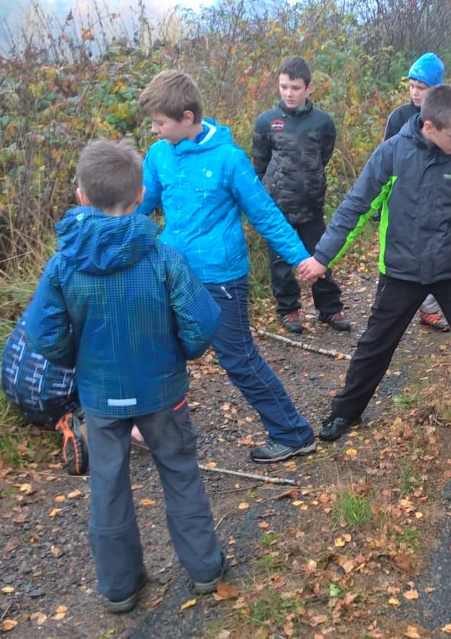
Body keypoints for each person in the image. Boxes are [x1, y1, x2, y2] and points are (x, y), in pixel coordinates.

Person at [25, 139, 227, 613]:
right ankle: (205, 570)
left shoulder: (63, 265)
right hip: (162, 391)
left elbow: (42, 333)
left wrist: (77, 359)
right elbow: (201, 322)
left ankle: (119, 587)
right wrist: (181, 353)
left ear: (81, 196)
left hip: (100, 395)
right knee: (180, 473)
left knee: (107, 485)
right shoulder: (163, 258)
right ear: (140, 196)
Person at [300, 85, 451, 449]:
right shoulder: (391, 154)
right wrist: (322, 257)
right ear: (428, 126)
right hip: (401, 270)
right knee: (375, 344)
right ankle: (346, 411)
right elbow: (356, 206)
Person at [137, 69, 320, 464]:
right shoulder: (158, 155)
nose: (154, 130)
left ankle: (293, 433)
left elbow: (264, 213)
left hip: (220, 279)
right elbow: (140, 207)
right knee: (159, 349)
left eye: (160, 122)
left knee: (238, 359)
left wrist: (300, 257)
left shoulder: (228, 160)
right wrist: (107, 235)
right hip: (172, 274)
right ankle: (154, 427)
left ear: (187, 117)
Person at [251, 56, 350, 334]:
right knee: (281, 263)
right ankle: (288, 309)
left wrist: (311, 181)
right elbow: (259, 164)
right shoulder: (266, 122)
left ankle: (329, 308)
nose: (289, 93)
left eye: (295, 88)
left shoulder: (323, 123)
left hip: (312, 205)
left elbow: (324, 156)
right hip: (277, 208)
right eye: (284, 87)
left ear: (308, 88)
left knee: (320, 257)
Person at [384, 52, 450, 332]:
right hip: (404, 201)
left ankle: (430, 309)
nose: (414, 92)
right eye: (411, 86)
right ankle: (391, 314)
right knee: (402, 258)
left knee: (435, 255)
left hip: (437, 201)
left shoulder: (449, 116)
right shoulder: (399, 117)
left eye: (420, 88)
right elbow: (383, 161)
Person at [0, 316, 87, 475]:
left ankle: (60, 419)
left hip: (13, 390)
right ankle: (77, 425)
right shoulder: (97, 312)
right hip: (56, 400)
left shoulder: (40, 304)